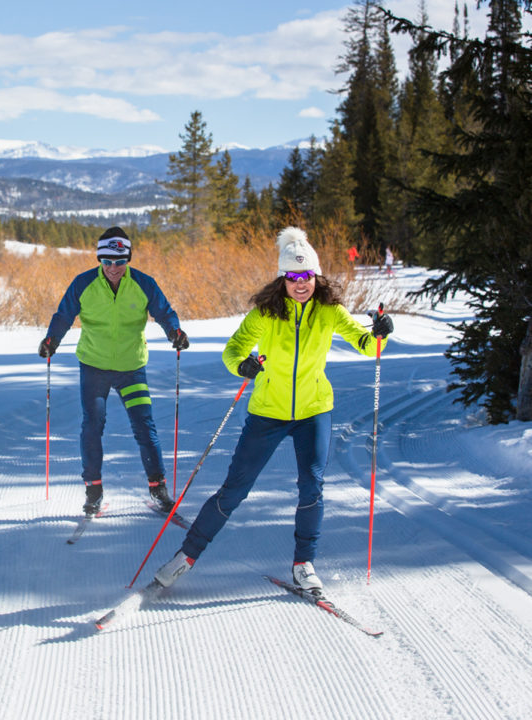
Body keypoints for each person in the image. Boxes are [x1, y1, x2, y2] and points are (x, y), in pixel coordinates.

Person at [153, 227, 394, 592]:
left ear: (316, 276)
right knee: (235, 489)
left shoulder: (329, 311)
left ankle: (303, 564)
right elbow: (233, 350)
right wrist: (243, 366)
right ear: (282, 279)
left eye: (306, 275)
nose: (300, 283)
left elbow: (366, 344)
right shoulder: (265, 313)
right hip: (267, 413)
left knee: (312, 485)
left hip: (313, 411)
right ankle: (185, 557)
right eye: (292, 277)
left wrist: (380, 333)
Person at [39, 226, 189, 516]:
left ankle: (158, 488)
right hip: (94, 367)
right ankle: (93, 491)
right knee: (92, 425)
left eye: (120, 261)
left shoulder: (144, 283)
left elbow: (164, 312)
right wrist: (51, 340)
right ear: (99, 260)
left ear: (128, 260)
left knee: (144, 425)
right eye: (106, 261)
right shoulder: (83, 283)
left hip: (131, 368)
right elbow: (64, 315)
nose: (113, 268)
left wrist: (175, 331)